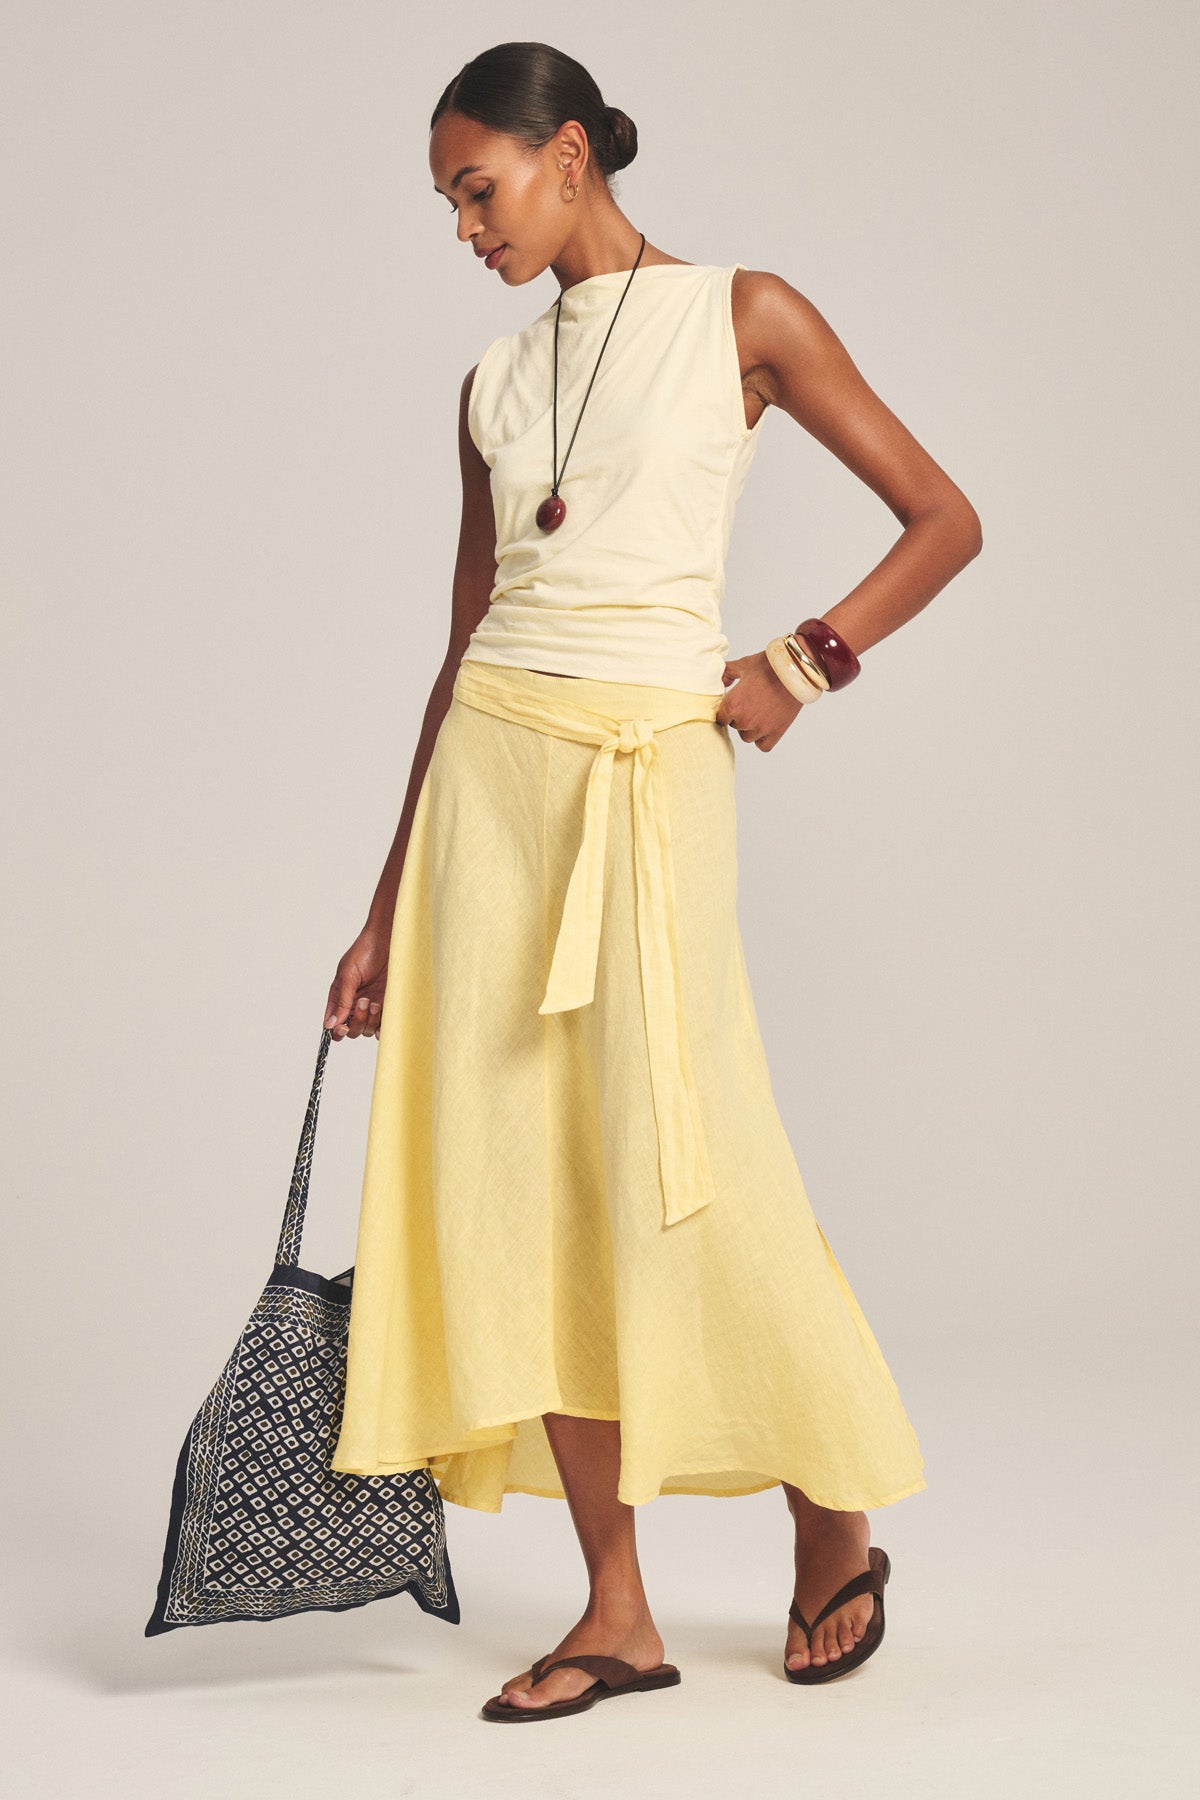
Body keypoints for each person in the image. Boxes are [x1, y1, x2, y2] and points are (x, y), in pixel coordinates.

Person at [321, 42, 982, 1722]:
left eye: (476, 188)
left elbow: (940, 516)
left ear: (565, 155)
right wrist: (388, 903)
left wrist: (804, 663)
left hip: (645, 777)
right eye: (449, 200)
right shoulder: (487, 382)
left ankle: (830, 1512)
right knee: (516, 1181)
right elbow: (461, 642)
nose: (464, 226)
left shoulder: (742, 314)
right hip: (491, 781)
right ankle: (616, 1611)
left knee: (694, 1157)